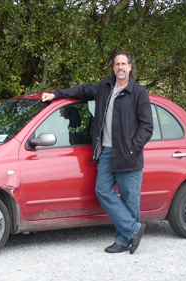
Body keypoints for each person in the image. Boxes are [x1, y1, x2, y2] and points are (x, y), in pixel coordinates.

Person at [41, 50, 153, 254]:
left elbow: (147, 127)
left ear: (130, 66)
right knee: (102, 190)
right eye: (117, 64)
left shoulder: (139, 93)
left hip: (128, 154)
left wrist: (132, 148)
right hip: (107, 152)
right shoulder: (104, 87)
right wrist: (56, 94)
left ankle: (123, 240)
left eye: (123, 64)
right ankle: (134, 230)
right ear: (113, 67)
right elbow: (81, 91)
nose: (120, 67)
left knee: (129, 199)